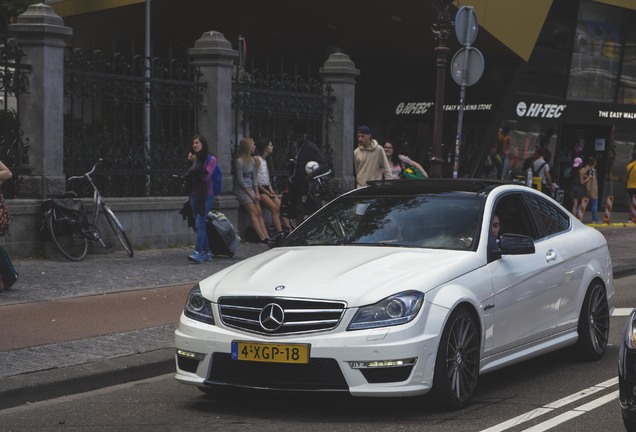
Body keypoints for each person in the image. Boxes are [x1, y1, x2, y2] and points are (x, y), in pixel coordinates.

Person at [184, 134, 217, 263]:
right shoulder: (193, 159)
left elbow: (205, 177)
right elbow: (189, 176)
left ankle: (198, 251)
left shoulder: (211, 159)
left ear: (203, 144)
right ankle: (206, 252)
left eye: (197, 142)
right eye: (193, 143)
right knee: (200, 224)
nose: (195, 145)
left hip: (206, 195)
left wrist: (195, 163)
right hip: (194, 194)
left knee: (200, 222)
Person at [287, 124, 327, 223]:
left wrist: (313, 174)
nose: (298, 139)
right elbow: (287, 161)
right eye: (296, 136)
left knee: (300, 208)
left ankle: (301, 230)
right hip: (293, 182)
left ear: (304, 135)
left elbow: (324, 165)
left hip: (304, 183)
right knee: (292, 210)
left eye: (300, 136)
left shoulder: (311, 147)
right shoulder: (293, 146)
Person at [233, 137, 269, 244]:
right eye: (252, 144)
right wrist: (251, 194)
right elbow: (240, 180)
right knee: (253, 212)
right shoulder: (239, 161)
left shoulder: (252, 160)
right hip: (242, 190)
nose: (254, 147)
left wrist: (256, 192)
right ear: (247, 146)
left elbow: (254, 178)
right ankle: (262, 237)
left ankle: (266, 235)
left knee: (259, 212)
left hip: (251, 189)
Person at [254, 138, 289, 234]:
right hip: (260, 190)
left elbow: (266, 177)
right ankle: (280, 232)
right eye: (270, 145)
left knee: (282, 207)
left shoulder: (266, 160)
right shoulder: (257, 159)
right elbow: (256, 179)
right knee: (275, 209)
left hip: (267, 188)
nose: (272, 147)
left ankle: (289, 229)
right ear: (265, 148)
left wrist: (271, 189)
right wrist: (267, 192)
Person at [585, 157, 599, 223]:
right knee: (594, 203)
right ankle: (594, 218)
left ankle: (577, 214)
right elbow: (594, 179)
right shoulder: (593, 171)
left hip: (587, 188)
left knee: (583, 202)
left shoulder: (586, 170)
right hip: (593, 189)